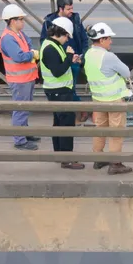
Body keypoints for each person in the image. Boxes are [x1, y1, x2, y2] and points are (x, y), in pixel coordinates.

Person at [83, 22, 133, 175]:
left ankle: (98, 158)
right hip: (114, 100)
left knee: (100, 129)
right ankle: (115, 163)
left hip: (98, 100)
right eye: (109, 38)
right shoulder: (108, 56)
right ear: (102, 39)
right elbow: (126, 72)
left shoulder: (88, 54)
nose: (111, 41)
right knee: (116, 133)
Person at [39, 16, 84, 170]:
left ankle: (59, 154)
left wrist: (70, 58)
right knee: (66, 124)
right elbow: (58, 71)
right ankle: (67, 159)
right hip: (59, 91)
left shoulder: (52, 45)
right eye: (67, 36)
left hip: (58, 91)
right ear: (61, 33)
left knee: (59, 123)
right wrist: (70, 56)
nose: (67, 40)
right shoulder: (50, 48)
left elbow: (60, 64)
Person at [0, 3, 39, 151]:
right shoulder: (8, 38)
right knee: (20, 109)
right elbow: (19, 56)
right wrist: (32, 54)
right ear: (12, 20)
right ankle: (20, 140)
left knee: (25, 107)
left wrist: (29, 53)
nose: (23, 21)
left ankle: (24, 133)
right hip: (19, 80)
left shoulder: (18, 34)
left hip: (27, 78)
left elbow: (27, 43)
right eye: (21, 19)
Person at [39, 0, 90, 107]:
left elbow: (83, 38)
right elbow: (44, 41)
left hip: (74, 61)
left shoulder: (75, 19)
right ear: (60, 9)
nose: (71, 11)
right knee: (67, 93)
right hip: (59, 64)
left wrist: (83, 55)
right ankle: (78, 111)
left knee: (71, 89)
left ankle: (75, 113)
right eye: (68, 9)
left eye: (72, 8)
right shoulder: (49, 22)